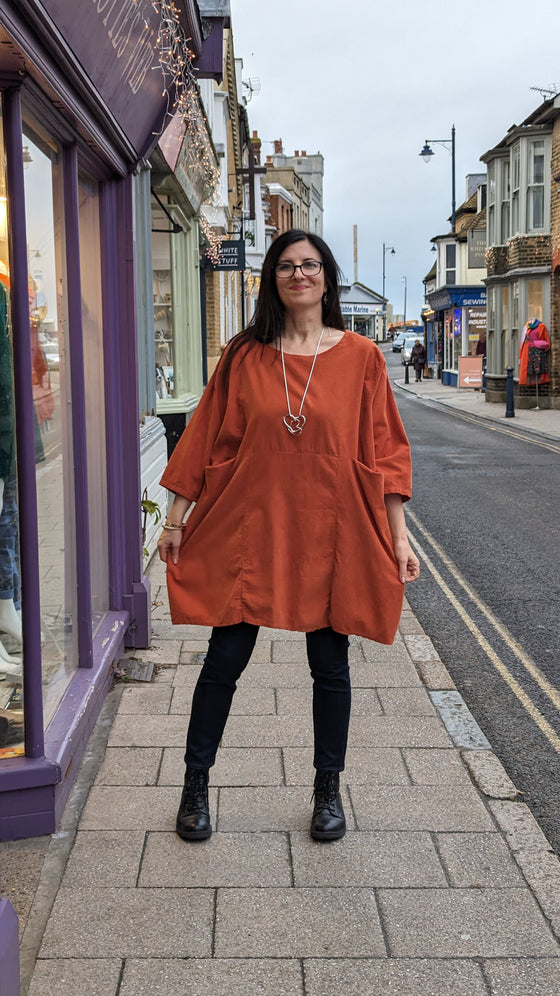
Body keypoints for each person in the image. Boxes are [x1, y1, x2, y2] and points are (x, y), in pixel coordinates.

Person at [157, 229, 420, 844]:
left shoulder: (362, 358)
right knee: (224, 660)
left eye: (309, 265)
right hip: (253, 529)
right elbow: (204, 442)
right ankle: (195, 786)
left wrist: (399, 539)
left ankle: (327, 790)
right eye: (285, 266)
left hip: (333, 531)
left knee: (330, 666)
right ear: (272, 279)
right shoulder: (245, 356)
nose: (298, 274)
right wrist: (176, 520)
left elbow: (385, 454)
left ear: (327, 277)